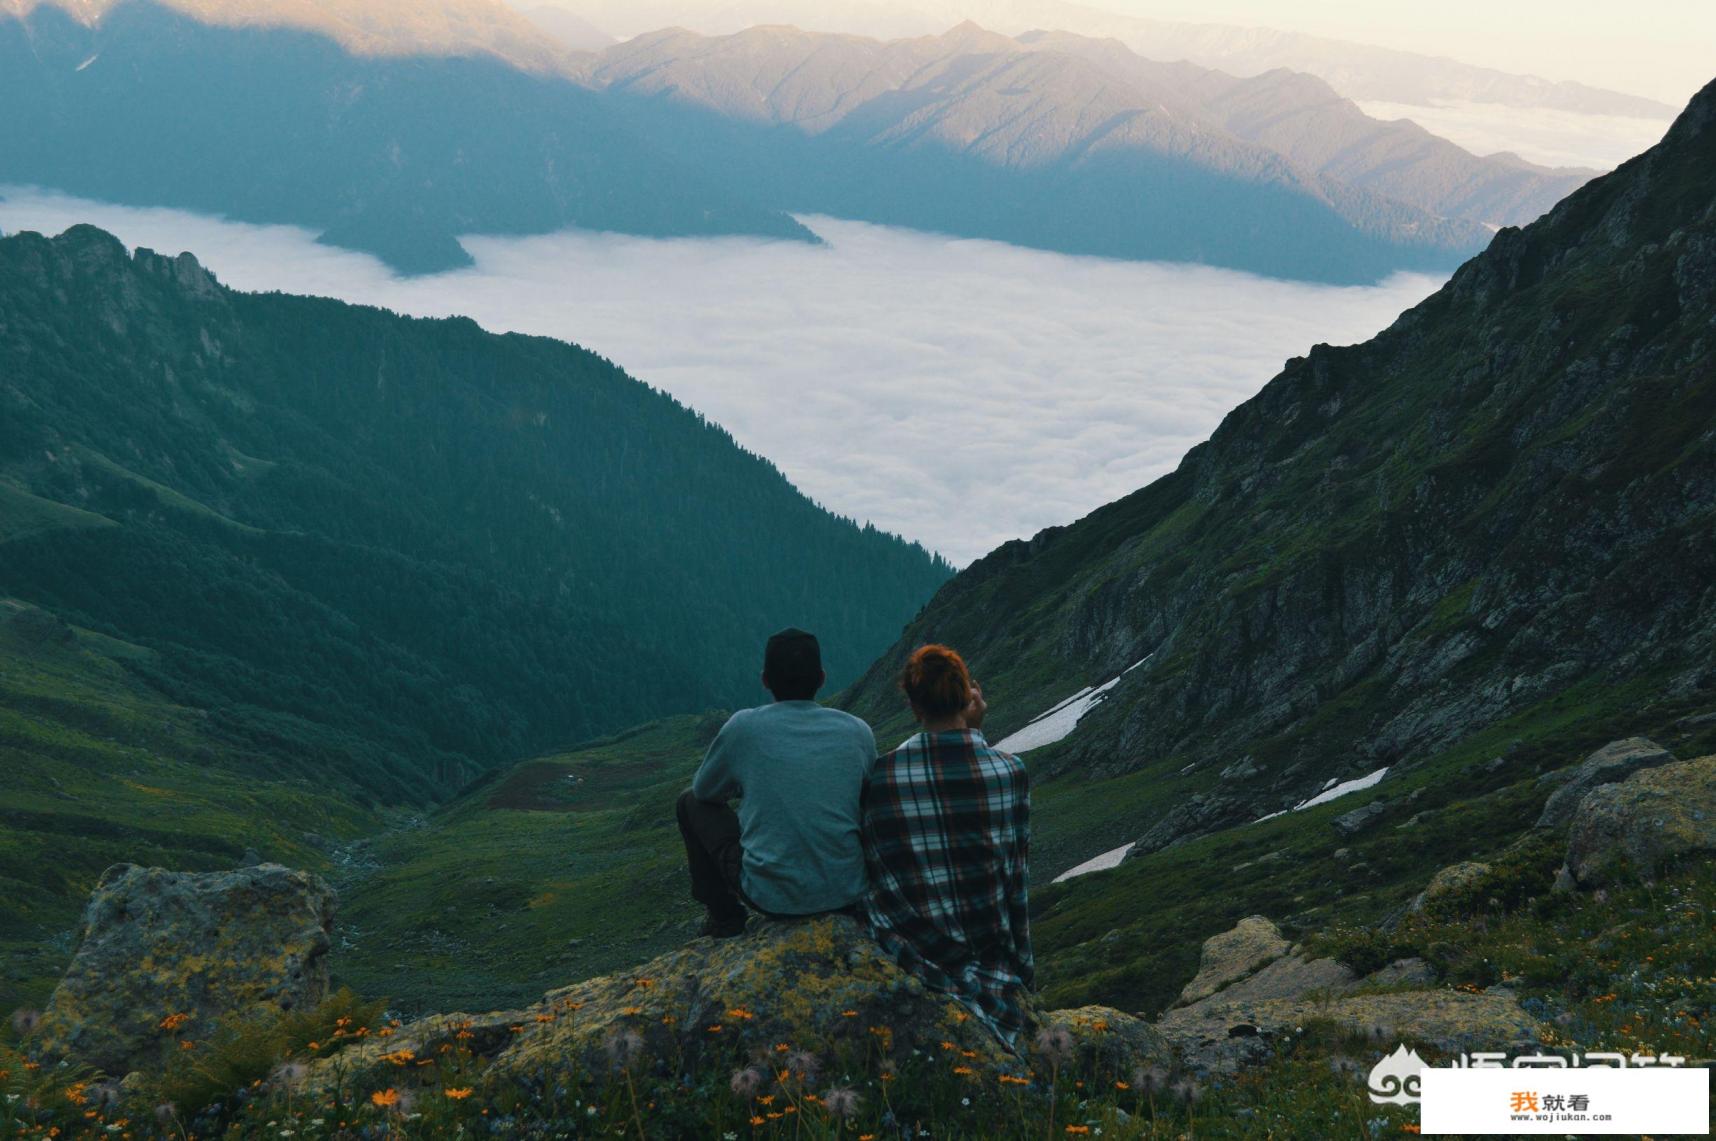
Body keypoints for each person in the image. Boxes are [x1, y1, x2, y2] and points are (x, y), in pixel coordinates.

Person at [860, 643, 1033, 1048]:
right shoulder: (1010, 772)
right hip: (992, 960)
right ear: (967, 696)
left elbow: (875, 873)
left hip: (920, 956)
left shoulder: (882, 778)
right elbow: (1015, 880)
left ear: (914, 706)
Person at [677, 627, 878, 938]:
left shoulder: (744, 727)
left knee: (688, 801)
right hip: (848, 892)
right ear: (822, 678)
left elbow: (705, 792)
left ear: (765, 680)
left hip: (771, 897)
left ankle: (724, 917)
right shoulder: (858, 731)